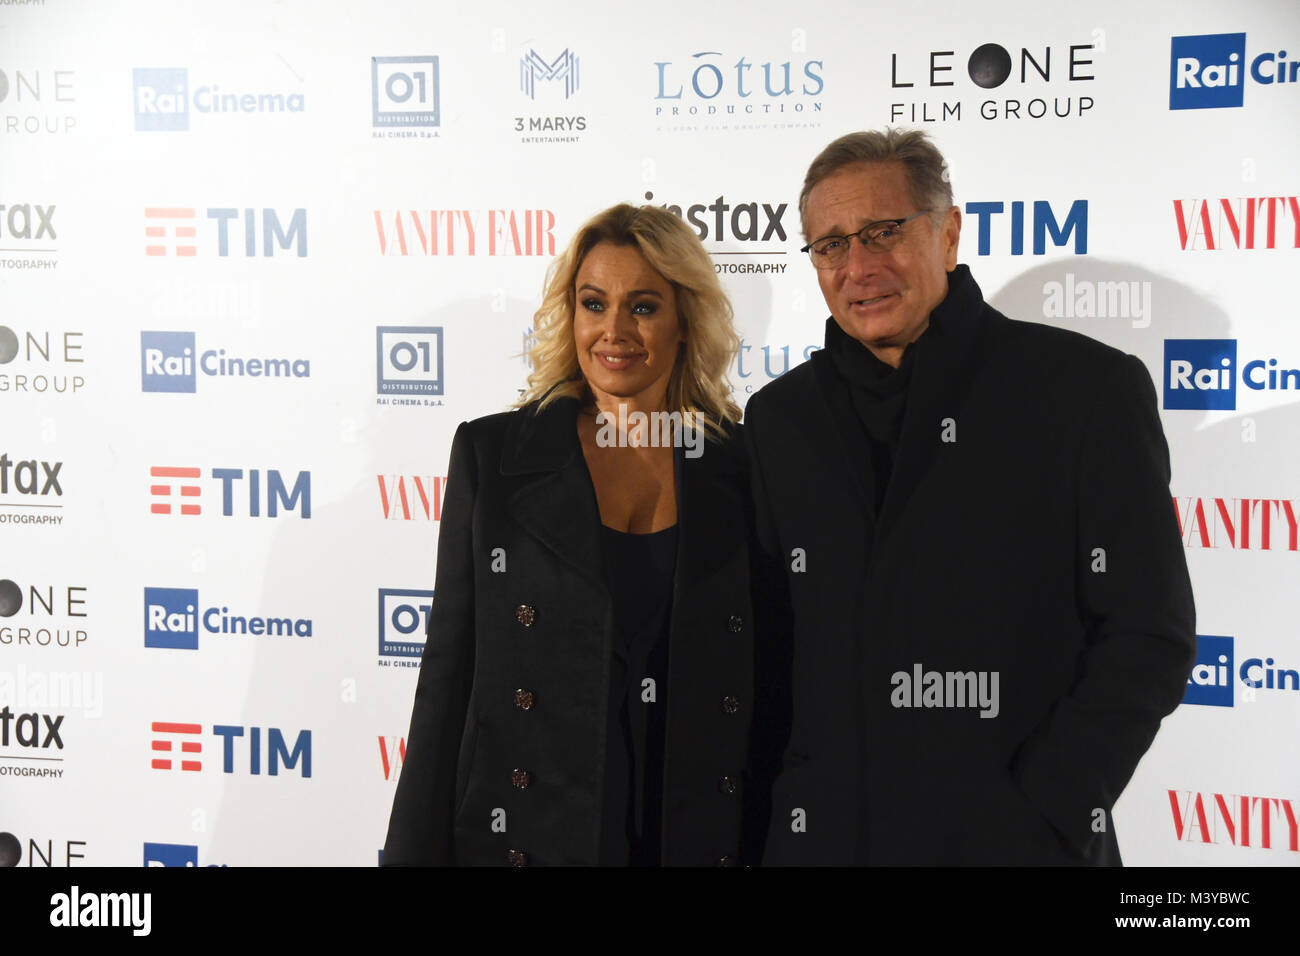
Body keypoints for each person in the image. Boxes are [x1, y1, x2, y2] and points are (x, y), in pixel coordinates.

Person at [744, 129, 1196, 865]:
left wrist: (1042, 809)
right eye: (830, 245)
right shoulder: (777, 419)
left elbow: (1150, 635)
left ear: (949, 232)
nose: (858, 266)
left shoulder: (1083, 391)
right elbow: (769, 647)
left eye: (883, 232)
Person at [382, 203, 765, 866]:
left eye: (643, 307)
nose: (613, 330)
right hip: (531, 833)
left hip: (688, 832)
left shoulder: (741, 465)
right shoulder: (495, 457)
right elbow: (448, 676)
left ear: (684, 322)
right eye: (594, 303)